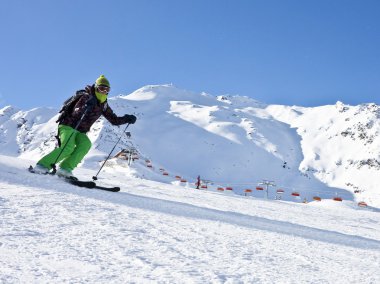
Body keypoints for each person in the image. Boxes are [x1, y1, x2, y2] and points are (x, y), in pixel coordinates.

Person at [33, 75, 137, 178]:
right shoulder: (86, 96)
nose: (104, 91)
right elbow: (76, 112)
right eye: (102, 88)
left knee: (85, 144)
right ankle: (42, 165)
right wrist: (86, 105)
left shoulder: (103, 104)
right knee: (67, 148)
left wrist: (127, 119)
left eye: (107, 89)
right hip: (68, 125)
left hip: (81, 131)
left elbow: (114, 120)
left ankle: (65, 168)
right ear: (96, 87)